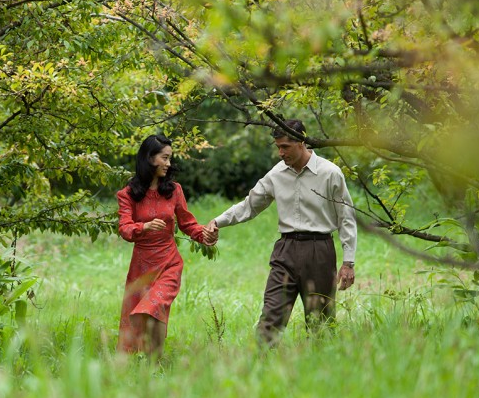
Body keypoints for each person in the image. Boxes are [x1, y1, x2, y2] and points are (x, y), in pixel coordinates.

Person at [205, 119, 357, 345]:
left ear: (302, 142)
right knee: (270, 318)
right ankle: (262, 368)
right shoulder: (276, 174)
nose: (280, 152)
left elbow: (346, 217)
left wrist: (348, 262)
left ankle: (323, 370)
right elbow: (249, 205)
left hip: (319, 251)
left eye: (285, 146)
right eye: (277, 147)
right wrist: (217, 221)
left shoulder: (329, 173)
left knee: (321, 323)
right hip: (285, 250)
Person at [117, 135, 217, 356]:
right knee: (144, 315)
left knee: (153, 306)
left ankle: (156, 360)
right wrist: (143, 227)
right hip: (141, 268)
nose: (169, 164)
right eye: (164, 158)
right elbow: (124, 229)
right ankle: (148, 362)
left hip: (169, 263)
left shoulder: (174, 190)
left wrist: (205, 235)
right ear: (149, 158)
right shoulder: (128, 194)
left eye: (170, 158)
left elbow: (188, 224)